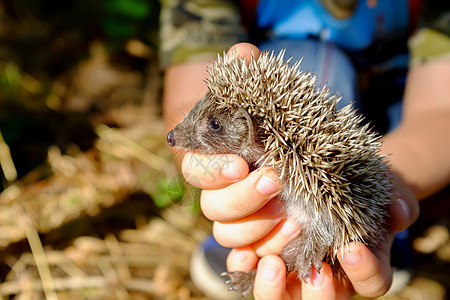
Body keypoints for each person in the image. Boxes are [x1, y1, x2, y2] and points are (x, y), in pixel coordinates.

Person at [161, 1, 450, 299]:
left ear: (248, 127)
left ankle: (391, 234)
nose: (176, 136)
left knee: (320, 61)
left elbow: (443, 110)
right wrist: (215, 181)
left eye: (216, 125)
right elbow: (185, 98)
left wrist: (394, 184)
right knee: (312, 57)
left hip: (390, 115)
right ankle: (253, 241)